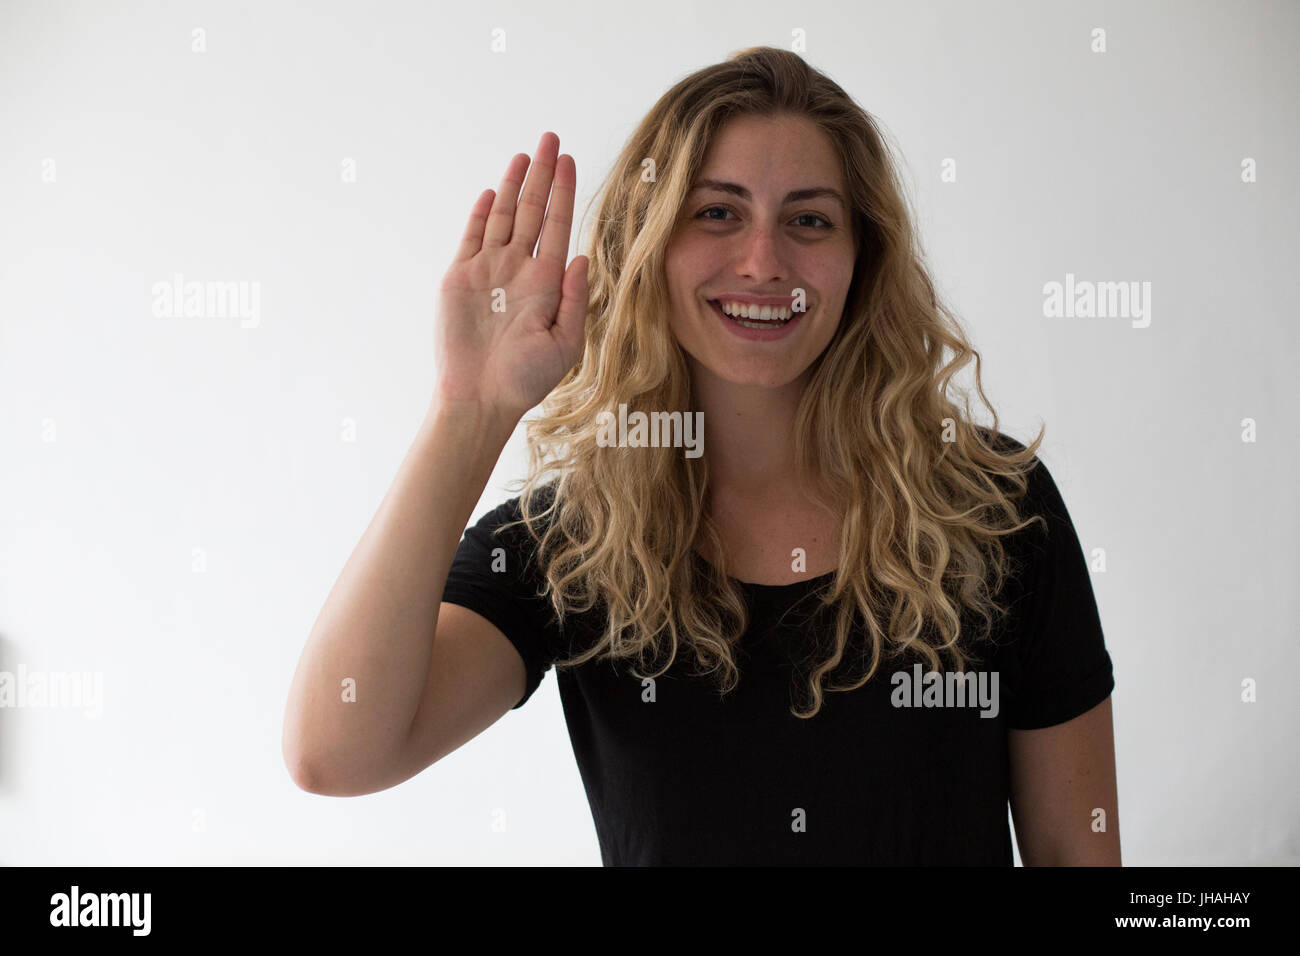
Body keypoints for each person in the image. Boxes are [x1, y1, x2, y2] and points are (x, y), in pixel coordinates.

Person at [283, 46, 1119, 866]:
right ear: (647, 242)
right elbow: (336, 753)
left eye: (809, 220)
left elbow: (1076, 855)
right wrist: (470, 411)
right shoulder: (569, 546)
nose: (764, 262)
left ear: (862, 259)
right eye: (717, 212)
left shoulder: (992, 509)